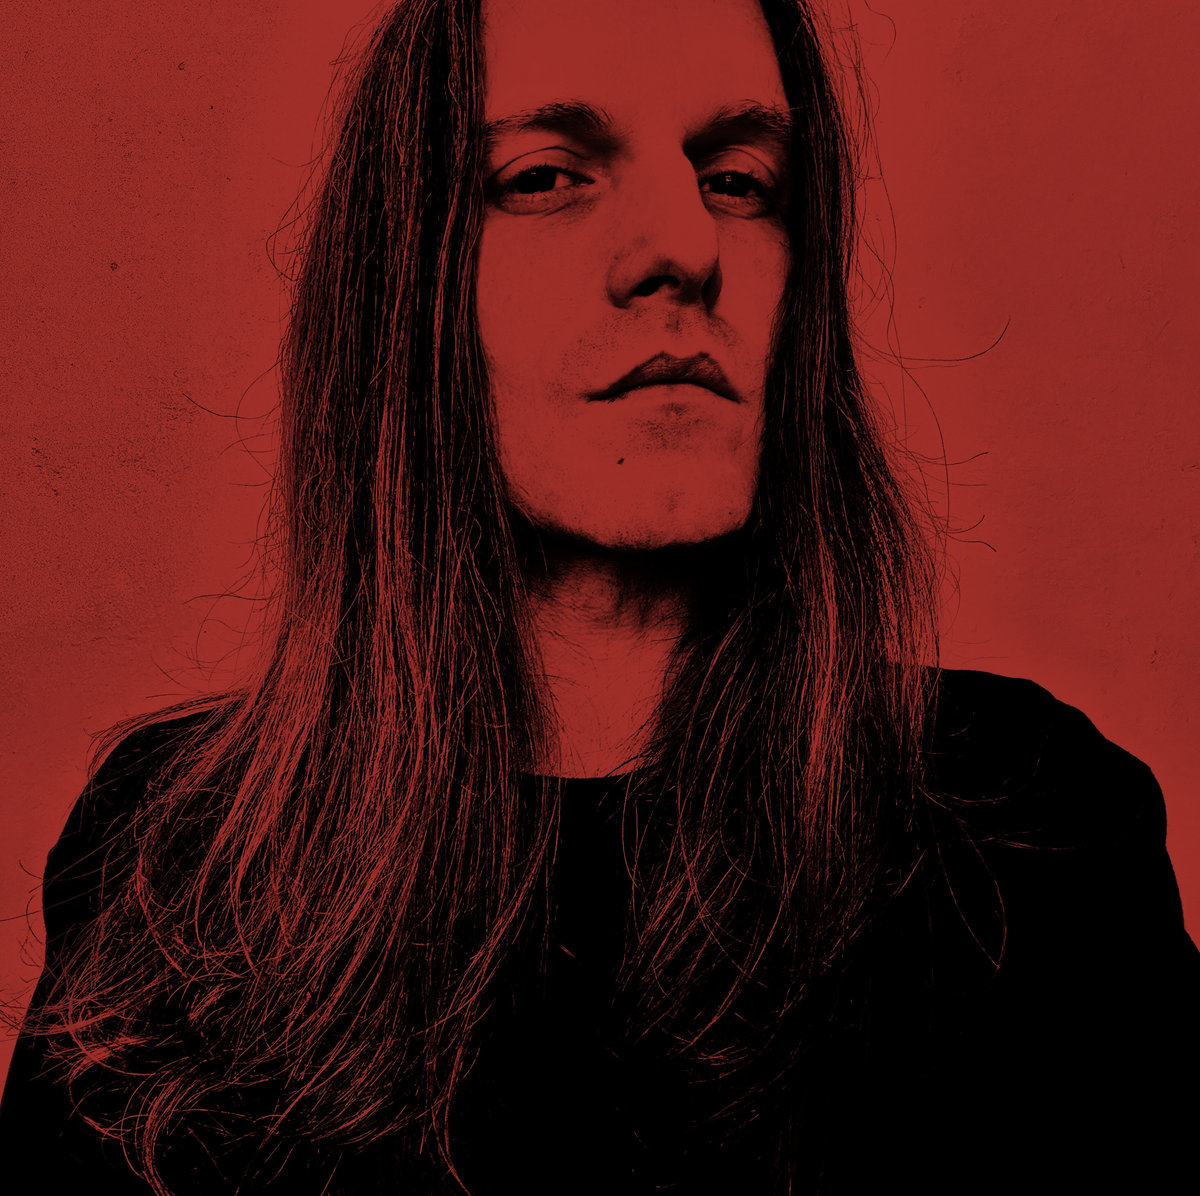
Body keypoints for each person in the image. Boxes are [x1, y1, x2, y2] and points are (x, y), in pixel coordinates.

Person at [2, 0, 1196, 1192]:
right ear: (403, 281)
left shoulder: (1029, 825)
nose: (686, 245)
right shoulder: (177, 857)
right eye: (545, 177)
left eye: (740, 180)